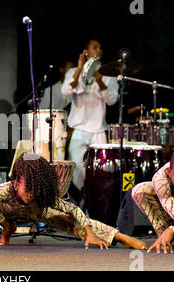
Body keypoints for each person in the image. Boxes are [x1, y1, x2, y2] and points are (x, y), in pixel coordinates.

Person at [0, 153, 147, 250]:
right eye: (27, 189)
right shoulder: (5, 190)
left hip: (38, 212)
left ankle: (121, 238)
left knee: (72, 222)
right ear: (14, 182)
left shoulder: (40, 196)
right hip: (9, 211)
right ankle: (7, 227)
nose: (31, 194)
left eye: (36, 190)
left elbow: (73, 209)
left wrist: (89, 234)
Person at [61, 39, 119, 203]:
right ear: (85, 52)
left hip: (98, 130)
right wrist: (79, 70)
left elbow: (112, 100)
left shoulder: (108, 74)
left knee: (98, 173)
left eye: (100, 48)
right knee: (77, 173)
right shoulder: (73, 71)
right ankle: (77, 209)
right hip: (78, 129)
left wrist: (100, 80)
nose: (99, 50)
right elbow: (66, 91)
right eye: (95, 47)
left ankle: (93, 209)